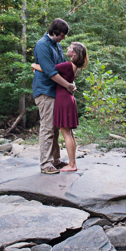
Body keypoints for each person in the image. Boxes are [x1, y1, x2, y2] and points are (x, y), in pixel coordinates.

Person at [32, 18, 75, 173]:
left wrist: (71, 82)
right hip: (44, 91)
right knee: (48, 128)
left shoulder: (56, 45)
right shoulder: (42, 45)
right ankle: (45, 164)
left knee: (55, 128)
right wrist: (68, 86)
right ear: (55, 32)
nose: (63, 38)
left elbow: (63, 68)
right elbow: (51, 72)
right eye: (62, 35)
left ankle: (55, 161)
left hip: (55, 92)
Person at [52, 41, 87, 172]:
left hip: (64, 100)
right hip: (69, 99)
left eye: (70, 48)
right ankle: (72, 163)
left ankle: (72, 165)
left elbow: (48, 69)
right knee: (69, 133)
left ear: (74, 53)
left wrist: (34, 65)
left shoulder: (68, 65)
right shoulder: (75, 67)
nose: (67, 48)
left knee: (66, 133)